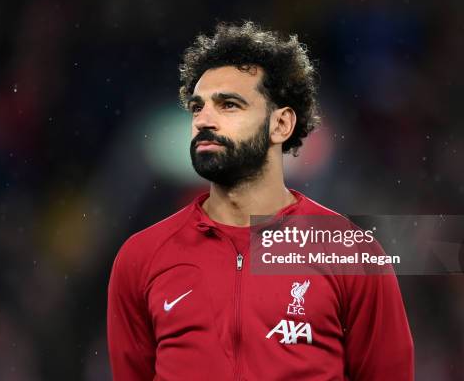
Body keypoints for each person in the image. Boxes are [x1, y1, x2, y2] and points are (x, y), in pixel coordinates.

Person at [107, 21, 414, 380]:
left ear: (281, 125)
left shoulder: (350, 255)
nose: (205, 119)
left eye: (230, 105)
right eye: (197, 107)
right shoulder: (140, 258)